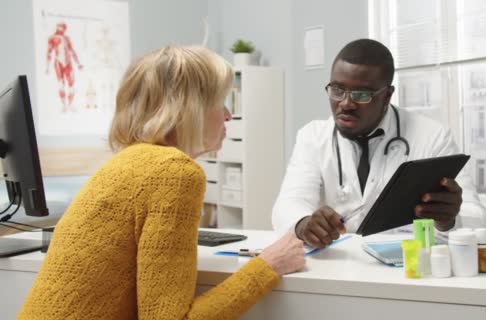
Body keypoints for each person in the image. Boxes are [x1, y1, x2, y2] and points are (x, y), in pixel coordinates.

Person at [19, 46, 305, 319]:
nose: (228, 114)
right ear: (190, 110)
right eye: (220, 102)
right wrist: (268, 266)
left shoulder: (128, 161)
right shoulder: (174, 172)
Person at [272, 39, 486, 249]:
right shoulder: (313, 136)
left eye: (361, 95)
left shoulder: (432, 137)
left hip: (406, 271)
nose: (346, 103)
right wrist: (304, 224)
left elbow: (477, 218)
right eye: (337, 90)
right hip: (337, 268)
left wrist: (448, 220)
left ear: (387, 96)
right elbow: (287, 206)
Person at [46, 22, 84, 113]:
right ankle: (64, 105)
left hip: (68, 63)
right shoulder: (52, 38)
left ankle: (70, 104)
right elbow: (49, 52)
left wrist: (78, 63)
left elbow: (72, 51)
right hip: (58, 62)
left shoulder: (67, 38)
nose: (61, 29)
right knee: (61, 84)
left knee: (71, 84)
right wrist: (48, 66)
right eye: (59, 27)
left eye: (63, 28)